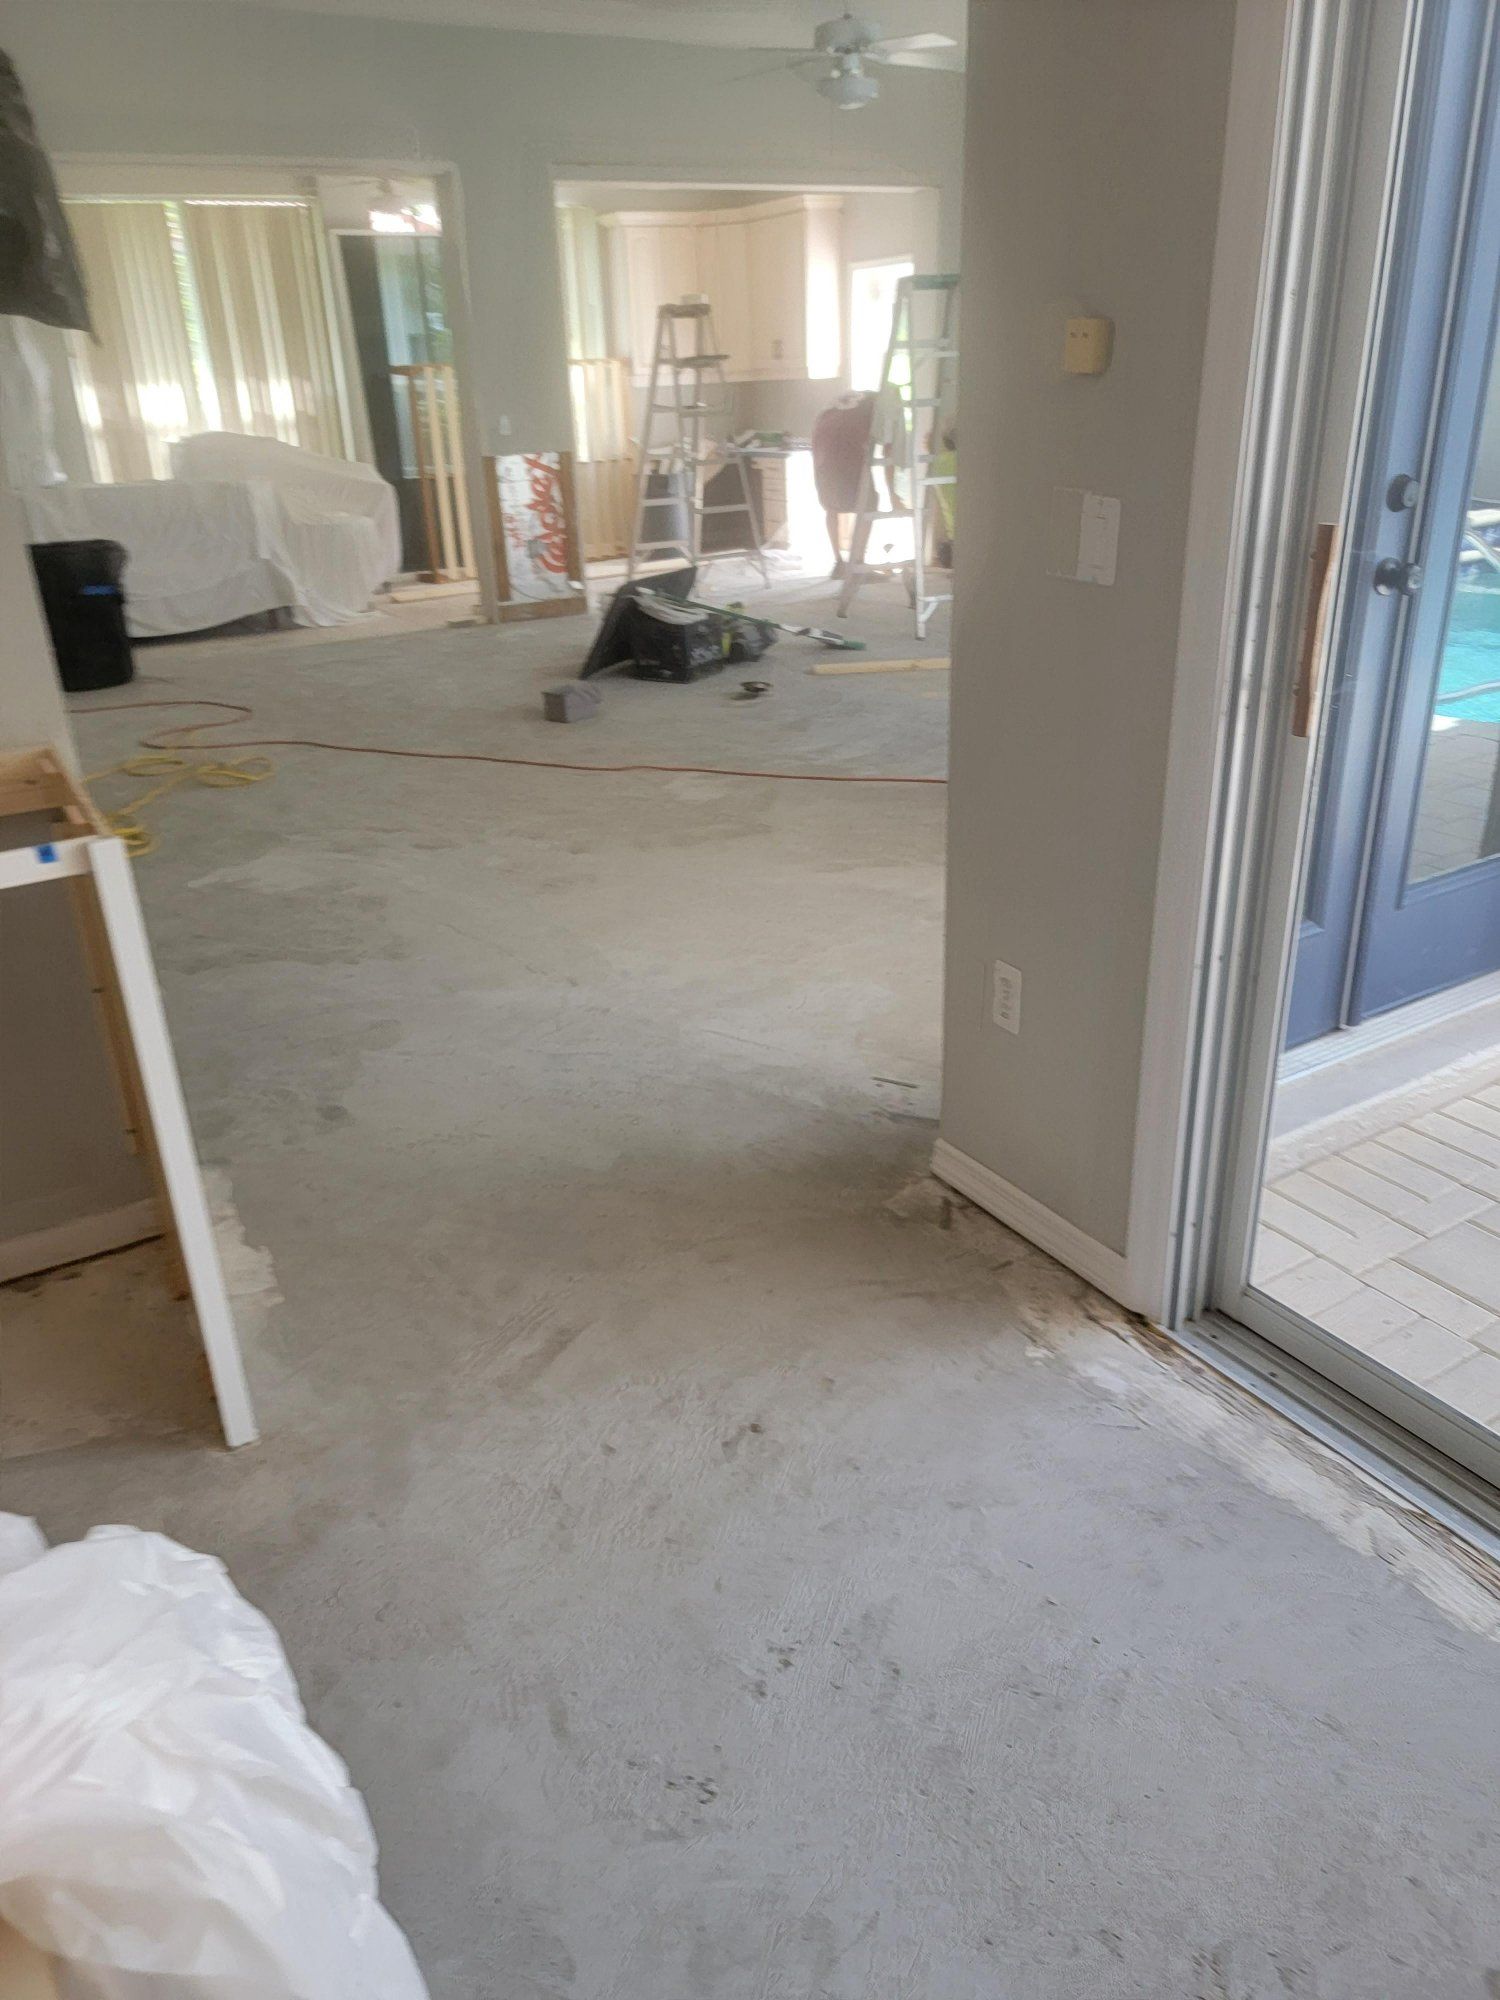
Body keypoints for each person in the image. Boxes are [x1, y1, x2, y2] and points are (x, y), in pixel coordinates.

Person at [810, 388, 905, 576]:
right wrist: (893, 494)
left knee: (832, 506)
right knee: (867, 504)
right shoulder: (885, 409)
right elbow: (889, 454)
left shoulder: (857, 399)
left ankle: (839, 563)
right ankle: (858, 565)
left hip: (822, 451)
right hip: (846, 449)